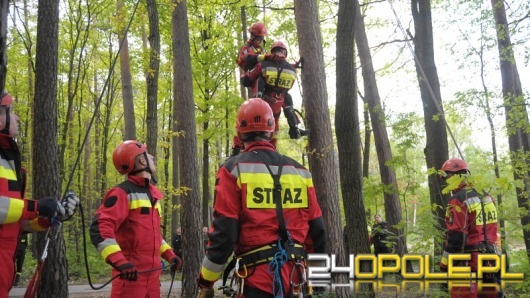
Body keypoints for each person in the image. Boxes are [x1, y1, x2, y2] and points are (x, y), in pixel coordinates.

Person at [197, 98, 327, 298]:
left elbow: (225, 234)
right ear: (272, 130)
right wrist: (318, 281)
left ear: (239, 133)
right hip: (295, 280)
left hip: (257, 282)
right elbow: (317, 231)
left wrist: (206, 280)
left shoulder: (233, 170)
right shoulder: (301, 172)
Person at [0, 91, 79, 296]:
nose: (17, 118)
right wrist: (36, 206)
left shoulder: (11, 165)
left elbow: (16, 223)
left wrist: (49, 219)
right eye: (11, 111)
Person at [90, 140, 182, 298]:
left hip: (153, 281)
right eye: (148, 154)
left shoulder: (152, 195)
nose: (152, 157)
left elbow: (153, 236)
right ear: (142, 160)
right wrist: (119, 261)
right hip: (130, 280)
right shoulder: (121, 193)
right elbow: (99, 228)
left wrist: (169, 254)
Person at [439, 158, 500, 298]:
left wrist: (444, 266)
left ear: (453, 176)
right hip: (490, 258)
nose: (446, 183)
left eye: (446, 178)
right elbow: (493, 230)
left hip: (468, 261)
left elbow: (456, 238)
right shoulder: (487, 197)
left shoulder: (458, 200)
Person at [241, 40, 307, 148]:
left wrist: (246, 75)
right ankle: (294, 128)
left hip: (262, 106)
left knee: (252, 126)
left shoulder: (263, 65)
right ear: (284, 53)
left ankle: (242, 148)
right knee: (275, 125)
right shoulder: (292, 70)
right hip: (278, 104)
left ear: (272, 52)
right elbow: (288, 84)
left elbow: (247, 81)